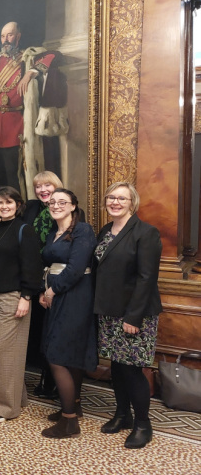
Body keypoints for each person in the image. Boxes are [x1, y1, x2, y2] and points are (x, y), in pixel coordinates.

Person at [0, 22, 67, 199]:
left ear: (18, 36)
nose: (6, 40)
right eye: (3, 36)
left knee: (14, 174)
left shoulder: (28, 58)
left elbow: (55, 55)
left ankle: (19, 209)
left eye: (10, 35)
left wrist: (31, 72)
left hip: (16, 127)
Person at [93, 182, 162, 449]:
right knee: (117, 368)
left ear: (132, 202)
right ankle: (123, 414)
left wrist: (133, 317)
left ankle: (143, 424)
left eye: (122, 198)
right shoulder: (105, 231)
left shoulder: (146, 233)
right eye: (111, 197)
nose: (115, 202)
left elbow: (147, 278)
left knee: (133, 370)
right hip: (109, 312)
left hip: (135, 315)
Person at [0, 186, 42, 422]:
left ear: (18, 205)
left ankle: (4, 407)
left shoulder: (24, 230)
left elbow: (32, 266)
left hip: (14, 297)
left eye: (9, 203)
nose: (4, 207)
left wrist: (26, 297)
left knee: (4, 350)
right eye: (0, 203)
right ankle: (18, 397)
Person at [39, 188, 97, 439]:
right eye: (52, 202)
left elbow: (76, 269)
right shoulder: (54, 233)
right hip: (57, 295)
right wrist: (45, 290)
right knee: (68, 353)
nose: (56, 205)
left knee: (58, 355)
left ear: (74, 206)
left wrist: (52, 290)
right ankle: (74, 404)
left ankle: (69, 421)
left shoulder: (82, 230)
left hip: (74, 297)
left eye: (63, 202)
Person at [22, 170, 66, 400]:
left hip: (57, 281)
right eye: (38, 186)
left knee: (53, 332)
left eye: (47, 185)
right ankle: (41, 377)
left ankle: (54, 380)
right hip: (32, 278)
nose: (42, 190)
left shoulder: (69, 209)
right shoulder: (31, 208)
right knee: (38, 330)